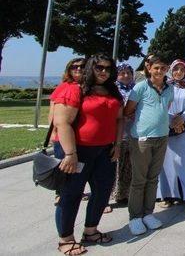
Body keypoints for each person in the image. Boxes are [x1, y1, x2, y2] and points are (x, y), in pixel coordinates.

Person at [52, 54, 124, 254]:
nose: (104, 72)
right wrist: (70, 153)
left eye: (108, 68)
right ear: (91, 68)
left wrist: (117, 144)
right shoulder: (76, 89)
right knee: (71, 194)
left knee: (102, 192)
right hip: (78, 150)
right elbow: (62, 122)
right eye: (99, 67)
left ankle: (90, 230)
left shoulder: (112, 90)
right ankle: (65, 239)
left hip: (105, 150)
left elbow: (119, 119)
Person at [124, 56, 173, 236]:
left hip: (162, 137)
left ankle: (148, 213)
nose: (159, 71)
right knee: (139, 180)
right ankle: (135, 217)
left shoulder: (170, 89)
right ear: (149, 69)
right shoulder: (140, 87)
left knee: (153, 178)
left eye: (163, 68)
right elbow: (128, 110)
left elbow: (165, 109)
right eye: (156, 68)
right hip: (142, 139)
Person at [157, 61, 185, 206]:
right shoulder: (164, 87)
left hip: (184, 129)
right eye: (176, 69)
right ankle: (169, 195)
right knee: (168, 163)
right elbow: (160, 105)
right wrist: (172, 120)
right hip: (168, 129)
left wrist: (182, 118)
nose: (178, 72)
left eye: (182, 69)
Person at [49, 58, 85, 207]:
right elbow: (53, 113)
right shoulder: (68, 87)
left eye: (82, 67)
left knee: (74, 171)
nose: (78, 70)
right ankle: (61, 194)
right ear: (69, 70)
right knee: (66, 170)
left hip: (76, 137)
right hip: (64, 137)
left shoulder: (83, 87)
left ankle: (67, 193)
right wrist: (53, 131)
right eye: (74, 67)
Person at [111, 62, 136, 207]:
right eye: (122, 73)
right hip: (117, 132)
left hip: (133, 132)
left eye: (128, 73)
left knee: (129, 165)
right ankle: (110, 195)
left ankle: (125, 194)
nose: (126, 75)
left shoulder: (136, 89)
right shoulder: (113, 90)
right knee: (115, 165)